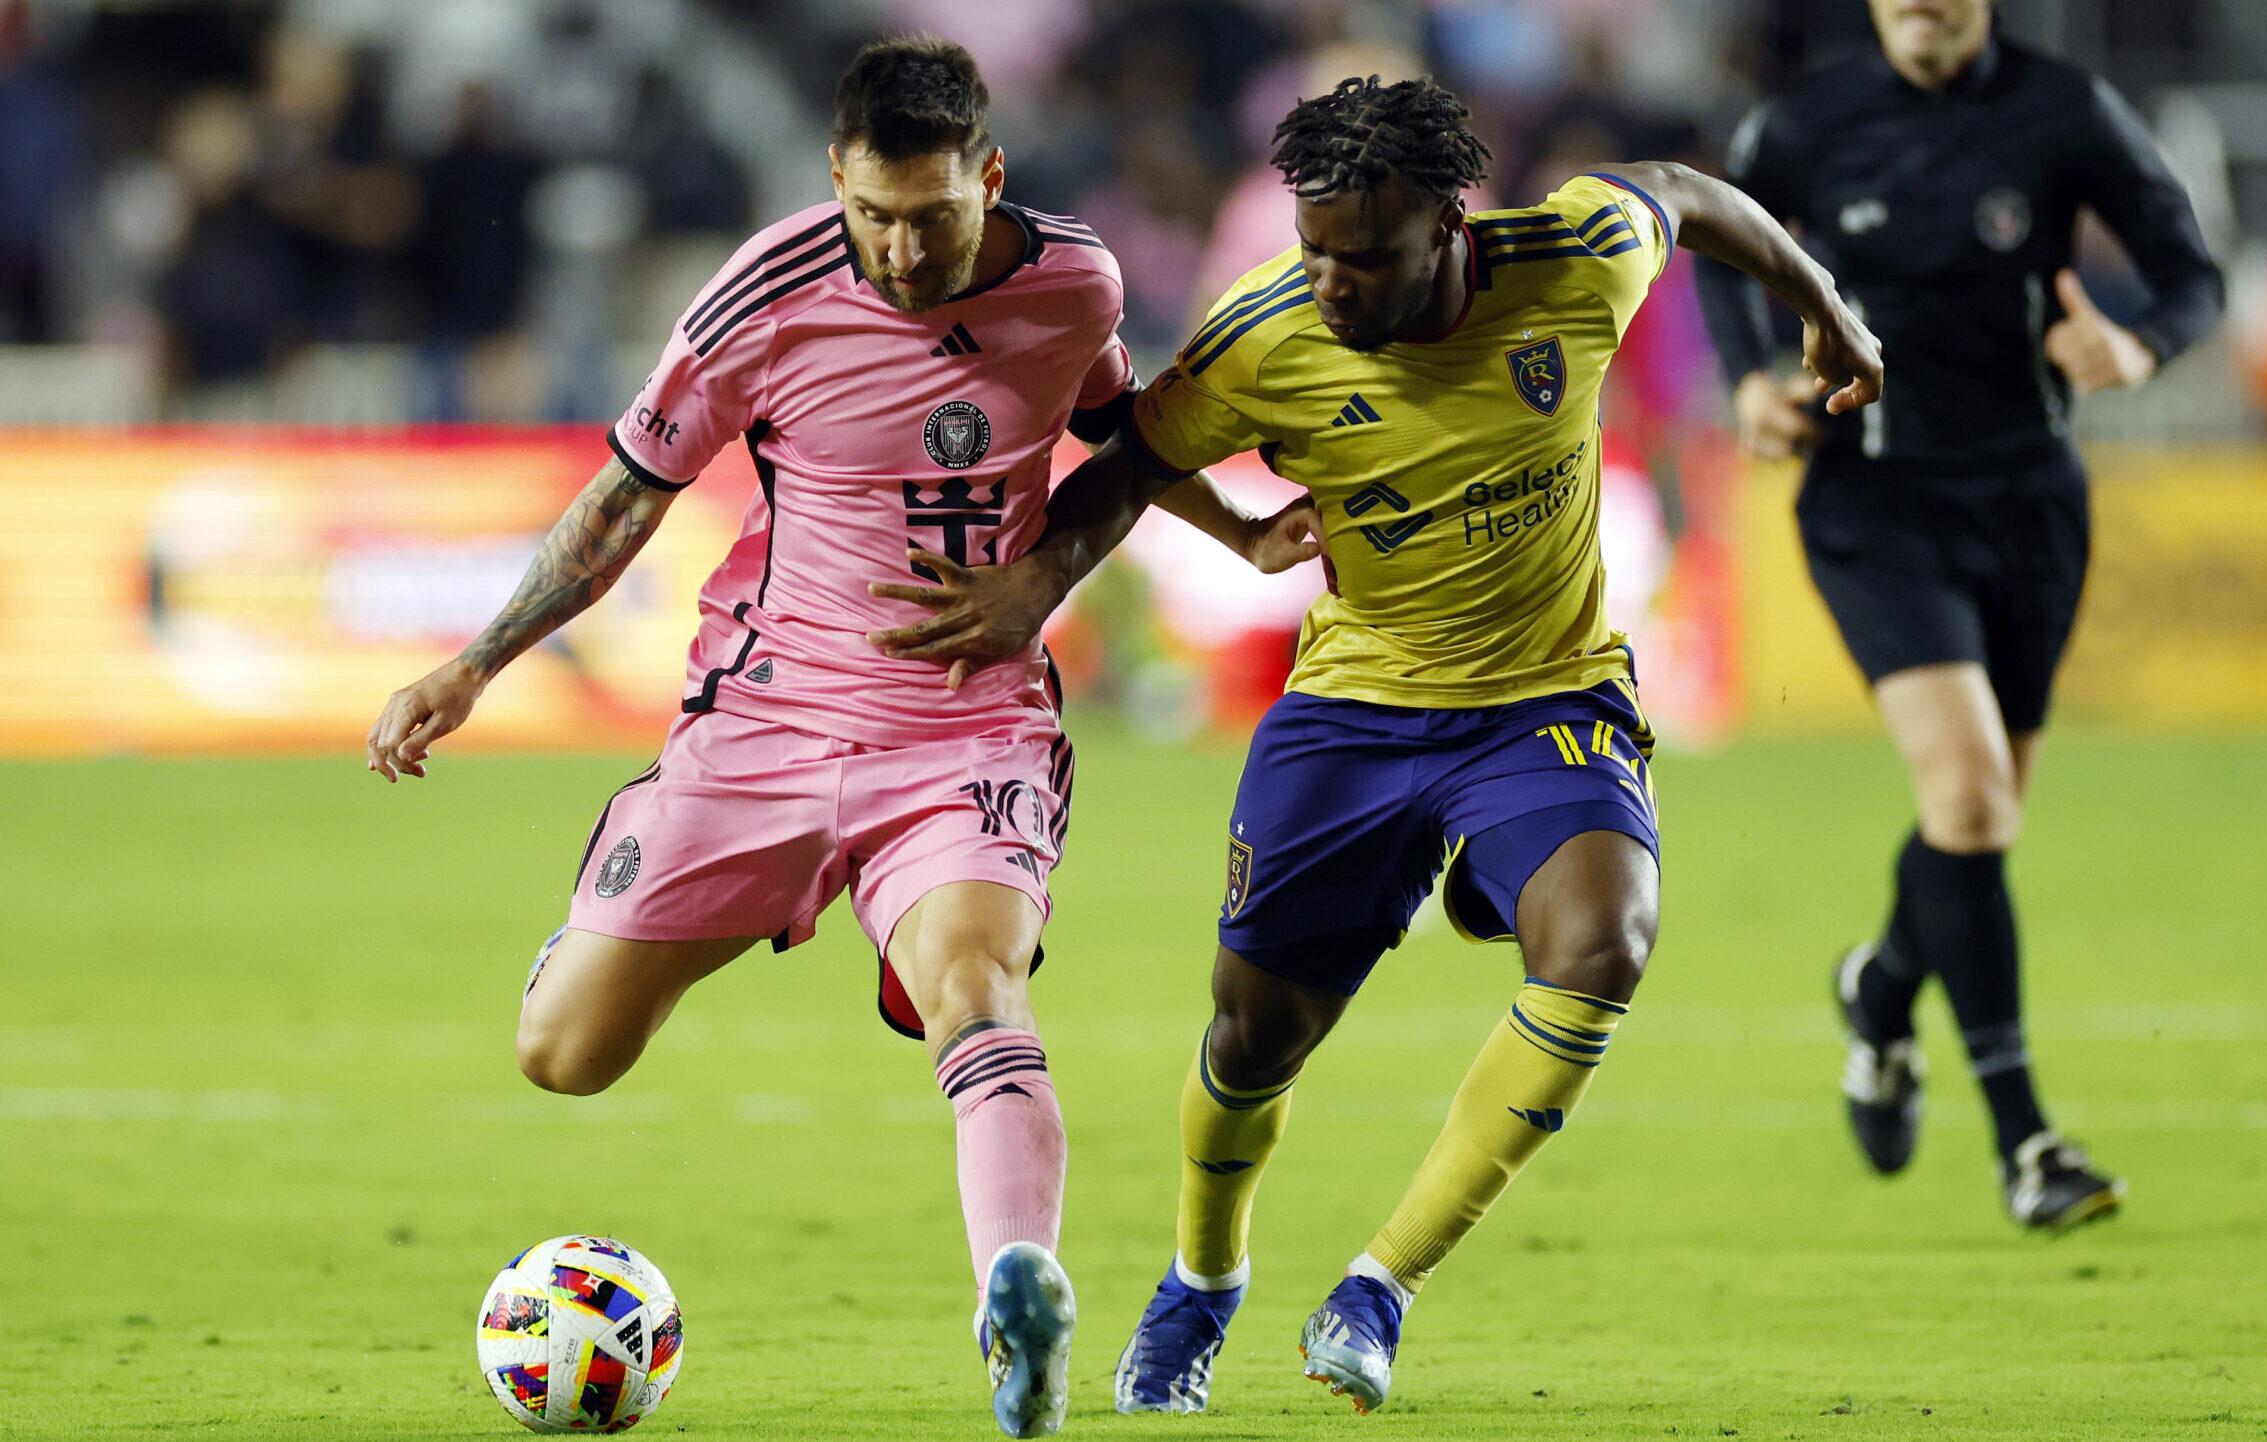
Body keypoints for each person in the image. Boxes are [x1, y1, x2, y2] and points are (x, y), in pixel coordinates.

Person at [864, 75, 1880, 1414]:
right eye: (1315, 251)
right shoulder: (1266, 338)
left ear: (1450, 228)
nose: (1333, 281)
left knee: (1603, 942)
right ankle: (1203, 1279)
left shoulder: (1573, 259)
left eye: (1367, 257)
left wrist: (1827, 307)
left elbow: (1689, 196)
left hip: (1548, 692)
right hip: (1356, 711)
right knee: (1250, 1039)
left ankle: (1379, 1286)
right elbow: (1125, 455)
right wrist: (1042, 580)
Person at [362, 37, 1309, 1439]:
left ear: (989, 176)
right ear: (835, 181)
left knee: (975, 985)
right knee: (562, 1054)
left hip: (963, 729)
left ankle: (1018, 1293)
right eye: (874, 215)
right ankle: (661, 873)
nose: (905, 249)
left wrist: (1206, 537)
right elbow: (628, 499)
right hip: (767, 717)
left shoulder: (1071, 281)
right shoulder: (763, 292)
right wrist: (476, 662)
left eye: (934, 216)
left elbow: (1118, 435)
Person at [1696, 0, 2224, 1231]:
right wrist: (1748, 380)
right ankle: (2027, 1143)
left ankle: (1880, 996)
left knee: (1975, 818)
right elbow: (1708, 244)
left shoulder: (2065, 109)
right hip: (1874, 499)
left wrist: (2139, 349)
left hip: (2031, 502)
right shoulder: (1806, 122)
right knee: (1973, 795)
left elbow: (2192, 271)